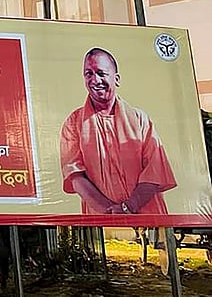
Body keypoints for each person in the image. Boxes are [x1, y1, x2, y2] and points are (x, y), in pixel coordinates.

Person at [60, 47, 177, 214]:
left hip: (148, 217)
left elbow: (155, 170)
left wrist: (128, 208)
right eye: (89, 74)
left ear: (117, 79)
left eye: (101, 73)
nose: (95, 80)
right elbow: (75, 177)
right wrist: (111, 213)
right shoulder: (73, 123)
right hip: (101, 222)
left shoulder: (139, 119)